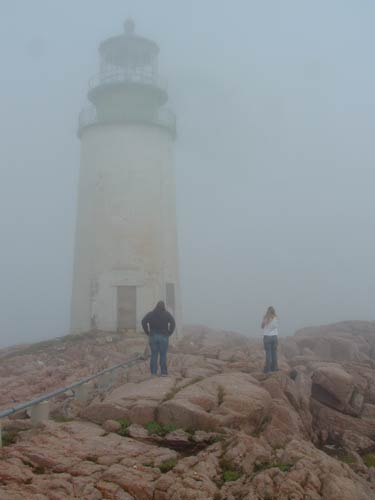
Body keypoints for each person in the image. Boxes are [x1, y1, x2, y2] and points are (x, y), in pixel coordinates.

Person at [142, 301, 176, 376]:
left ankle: (153, 373)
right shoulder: (167, 314)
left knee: (154, 355)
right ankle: (163, 372)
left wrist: (147, 332)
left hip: (153, 336)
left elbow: (143, 321)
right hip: (164, 336)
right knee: (163, 355)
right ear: (163, 306)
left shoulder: (151, 314)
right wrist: (169, 332)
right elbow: (173, 323)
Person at [261, 306, 279, 373]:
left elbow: (262, 326)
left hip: (267, 337)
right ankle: (275, 368)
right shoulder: (276, 318)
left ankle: (268, 369)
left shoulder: (266, 318)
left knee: (268, 354)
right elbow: (276, 326)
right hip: (274, 337)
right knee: (274, 353)